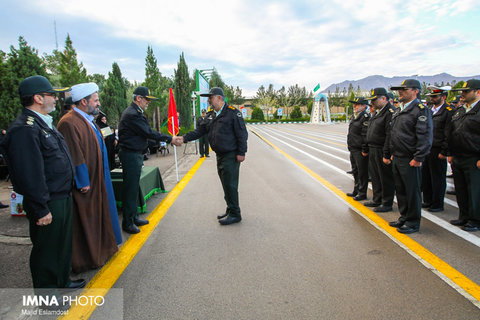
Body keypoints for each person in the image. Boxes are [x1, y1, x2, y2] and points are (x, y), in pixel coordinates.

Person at [0, 75, 85, 290]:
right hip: (47, 200)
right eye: (51, 95)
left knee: (61, 245)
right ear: (38, 98)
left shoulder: (42, 122)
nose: (56, 99)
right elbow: (29, 174)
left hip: (61, 195)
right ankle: (48, 297)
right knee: (47, 251)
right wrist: (40, 208)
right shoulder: (24, 129)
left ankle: (63, 282)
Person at [57, 83, 121, 273]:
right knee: (87, 221)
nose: (99, 103)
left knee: (99, 216)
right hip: (86, 183)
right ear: (84, 102)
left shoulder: (86, 119)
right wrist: (82, 181)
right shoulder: (68, 122)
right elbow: (74, 154)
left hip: (97, 178)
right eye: (96, 100)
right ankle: (88, 259)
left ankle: (102, 251)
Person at [178, 87, 248, 225]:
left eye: (211, 97)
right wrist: (183, 138)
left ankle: (235, 214)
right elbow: (200, 131)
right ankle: (230, 208)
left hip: (231, 155)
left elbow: (242, 134)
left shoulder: (233, 113)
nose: (208, 100)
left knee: (230, 185)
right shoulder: (211, 115)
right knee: (225, 184)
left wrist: (241, 153)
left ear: (219, 98)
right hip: (220, 155)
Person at [118, 86, 174, 234]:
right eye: (147, 99)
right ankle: (128, 222)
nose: (148, 102)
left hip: (134, 154)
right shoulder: (133, 114)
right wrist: (171, 139)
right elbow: (148, 132)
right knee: (130, 188)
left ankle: (134, 216)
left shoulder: (134, 112)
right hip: (130, 155)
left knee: (134, 186)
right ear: (138, 99)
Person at [389, 79, 433, 234]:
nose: (400, 92)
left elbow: (425, 136)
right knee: (401, 190)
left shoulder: (420, 110)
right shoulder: (399, 110)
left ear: (415, 91)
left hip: (410, 159)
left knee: (412, 191)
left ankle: (413, 222)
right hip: (398, 157)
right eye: (399, 90)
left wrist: (419, 157)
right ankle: (404, 217)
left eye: (404, 89)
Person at [448, 79, 480, 232]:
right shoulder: (461, 110)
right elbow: (453, 132)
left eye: (466, 91)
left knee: (474, 190)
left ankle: (475, 220)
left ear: (478, 92)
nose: (462, 94)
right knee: (461, 189)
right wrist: (451, 152)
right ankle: (464, 216)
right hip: (458, 156)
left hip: (474, 157)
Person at [422, 87, 454, 212]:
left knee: (438, 177)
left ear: (444, 97)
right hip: (427, 148)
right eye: (432, 96)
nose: (432, 98)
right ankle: (428, 200)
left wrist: (444, 151)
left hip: (438, 149)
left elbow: (448, 133)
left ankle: (437, 203)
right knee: (426, 176)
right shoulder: (429, 110)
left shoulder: (448, 111)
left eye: (435, 96)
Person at [364, 88, 395, 213]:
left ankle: (387, 202)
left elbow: (389, 134)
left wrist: (387, 153)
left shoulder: (389, 112)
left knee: (385, 177)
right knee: (376, 176)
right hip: (373, 148)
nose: (372, 103)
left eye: (374, 100)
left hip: (382, 149)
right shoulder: (377, 112)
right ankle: (377, 199)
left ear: (384, 98)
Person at [346, 97, 370, 201]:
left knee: (362, 172)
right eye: (354, 104)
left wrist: (364, 149)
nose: (354, 106)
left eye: (357, 104)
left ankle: (362, 192)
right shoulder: (354, 116)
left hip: (360, 149)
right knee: (355, 171)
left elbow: (365, 135)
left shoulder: (365, 117)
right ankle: (356, 190)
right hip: (353, 148)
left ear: (364, 106)